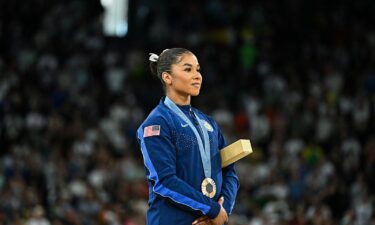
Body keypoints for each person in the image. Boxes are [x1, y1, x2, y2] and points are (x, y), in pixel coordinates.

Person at [137, 48, 240, 225]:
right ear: (167, 77)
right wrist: (211, 209)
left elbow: (230, 171)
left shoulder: (209, 123)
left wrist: (223, 209)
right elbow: (164, 181)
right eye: (187, 69)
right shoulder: (156, 124)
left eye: (198, 69)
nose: (197, 75)